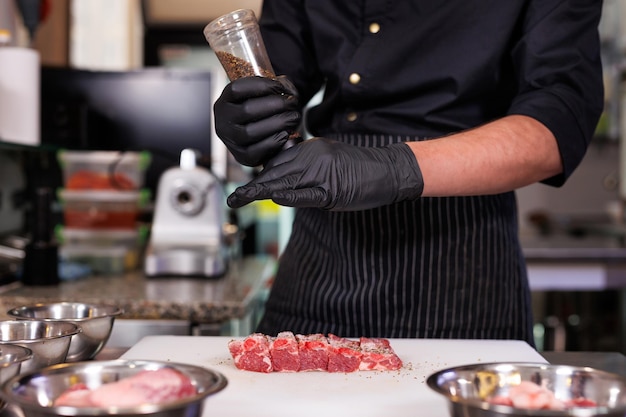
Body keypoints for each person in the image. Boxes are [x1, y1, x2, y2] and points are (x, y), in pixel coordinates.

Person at [214, 0, 604, 345]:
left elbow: (557, 126)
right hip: (323, 254)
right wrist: (252, 119)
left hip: (463, 264)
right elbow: (277, 81)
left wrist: (392, 167)